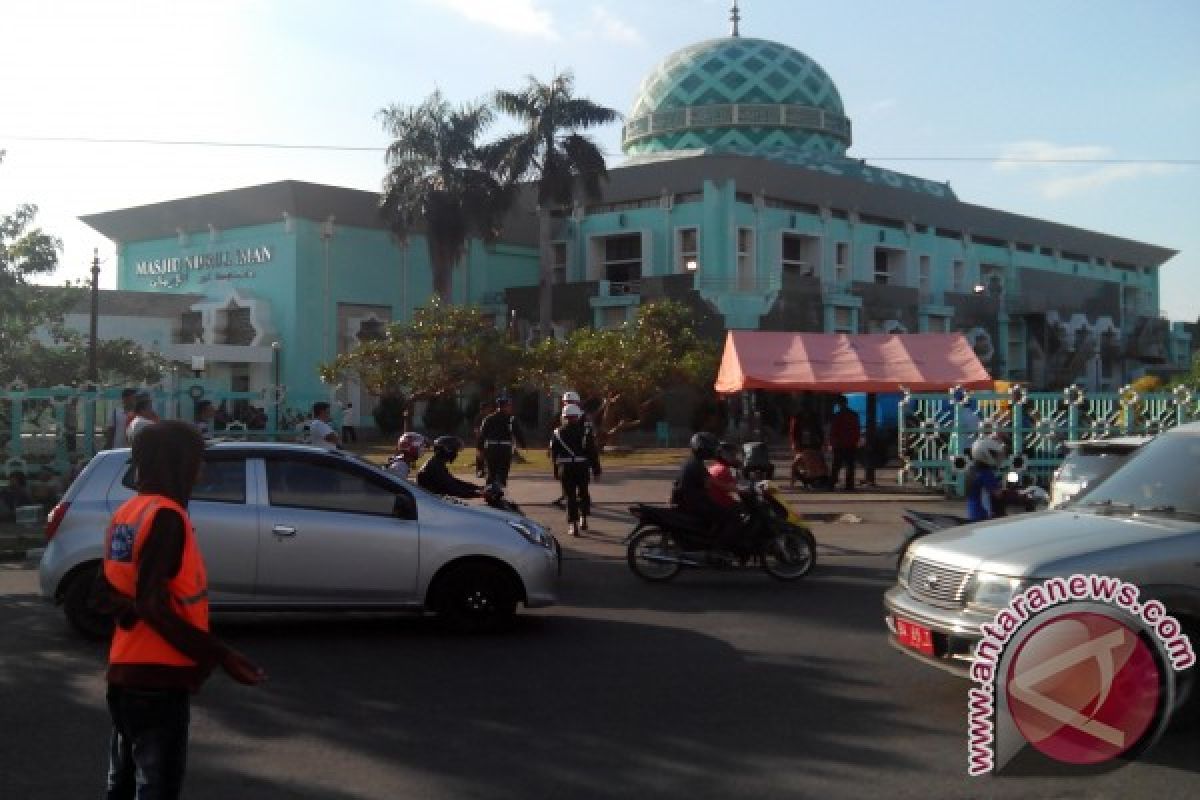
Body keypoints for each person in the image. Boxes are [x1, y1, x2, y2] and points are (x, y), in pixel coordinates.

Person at [96, 420, 265, 798]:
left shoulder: (128, 513)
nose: (200, 469)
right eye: (197, 459)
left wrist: (132, 610)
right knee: (157, 787)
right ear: (177, 463)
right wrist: (220, 654)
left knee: (121, 783)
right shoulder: (167, 517)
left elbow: (104, 593)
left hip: (124, 675)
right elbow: (151, 603)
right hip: (158, 680)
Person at [672, 432, 741, 562]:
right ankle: (719, 549)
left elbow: (709, 484)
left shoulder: (694, 462)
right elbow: (713, 484)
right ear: (703, 448)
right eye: (710, 447)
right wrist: (738, 489)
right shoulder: (697, 465)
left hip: (692, 501)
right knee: (732, 517)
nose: (713, 450)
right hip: (697, 503)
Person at [550, 403, 601, 536]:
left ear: (564, 417)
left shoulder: (557, 432)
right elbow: (592, 452)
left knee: (570, 496)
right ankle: (583, 518)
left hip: (565, 467)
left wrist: (555, 471)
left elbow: (554, 454)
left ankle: (573, 525)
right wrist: (596, 470)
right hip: (582, 466)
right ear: (578, 416)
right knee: (583, 492)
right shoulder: (585, 431)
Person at [476, 396, 525, 487]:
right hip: (505, 448)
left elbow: (482, 435)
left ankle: (489, 492)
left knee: (491, 472)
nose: (510, 408)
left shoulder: (488, 418)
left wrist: (480, 449)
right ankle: (499, 492)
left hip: (491, 448)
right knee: (503, 471)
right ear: (505, 406)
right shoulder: (511, 419)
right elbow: (518, 433)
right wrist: (523, 445)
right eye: (509, 405)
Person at [551, 390, 589, 509]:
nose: (567, 404)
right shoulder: (562, 414)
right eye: (565, 402)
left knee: (581, 490)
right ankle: (567, 497)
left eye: (570, 401)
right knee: (570, 487)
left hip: (579, 454)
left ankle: (580, 509)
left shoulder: (582, 417)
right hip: (565, 455)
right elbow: (556, 431)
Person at [417, 436, 484, 499]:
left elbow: (453, 481)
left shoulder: (436, 463)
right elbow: (453, 490)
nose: (456, 454)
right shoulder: (435, 467)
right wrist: (479, 494)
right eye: (455, 451)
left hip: (433, 500)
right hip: (432, 504)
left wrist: (477, 488)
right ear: (448, 450)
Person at [966, 436, 1010, 522]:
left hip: (973, 513)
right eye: (994, 454)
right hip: (983, 515)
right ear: (985, 454)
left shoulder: (972, 469)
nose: (996, 457)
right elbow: (998, 494)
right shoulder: (985, 473)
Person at [829, 398, 861, 492]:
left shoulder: (837, 416)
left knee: (836, 465)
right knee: (849, 465)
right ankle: (849, 485)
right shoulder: (853, 415)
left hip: (839, 444)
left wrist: (832, 442)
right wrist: (856, 440)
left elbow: (833, 430)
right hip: (849, 444)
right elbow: (856, 429)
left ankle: (832, 483)